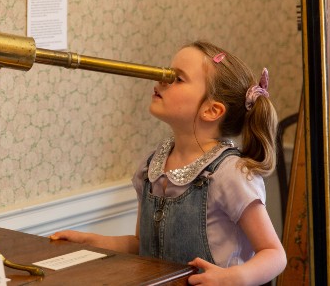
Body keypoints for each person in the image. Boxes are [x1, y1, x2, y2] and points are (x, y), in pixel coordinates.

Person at [50, 41, 287, 286]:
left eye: (177, 78)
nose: (162, 80)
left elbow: (274, 254)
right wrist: (92, 242)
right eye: (166, 72)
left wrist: (231, 278)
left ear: (211, 110)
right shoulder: (151, 167)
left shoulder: (230, 175)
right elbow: (143, 245)